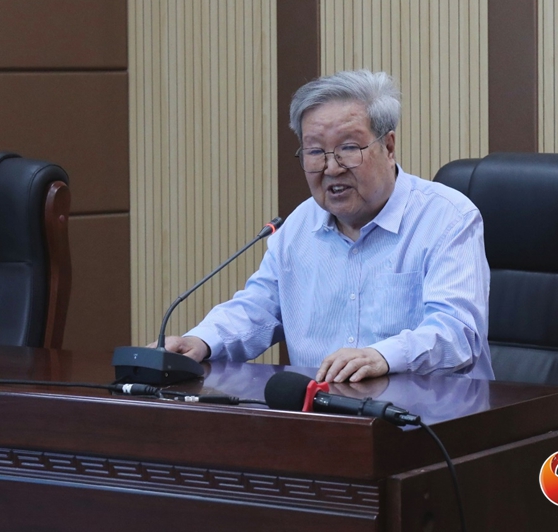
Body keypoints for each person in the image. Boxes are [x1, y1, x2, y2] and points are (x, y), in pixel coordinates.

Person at [160, 69, 494, 383]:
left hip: (433, 415)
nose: (331, 168)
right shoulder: (298, 226)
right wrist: (200, 341)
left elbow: (458, 333)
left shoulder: (446, 217)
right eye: (315, 152)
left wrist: (383, 356)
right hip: (325, 412)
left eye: (348, 148)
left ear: (388, 146)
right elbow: (257, 309)